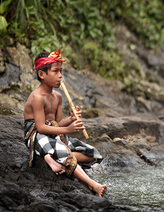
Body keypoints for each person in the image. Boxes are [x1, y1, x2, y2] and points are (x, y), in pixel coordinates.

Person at [23, 50, 107, 197]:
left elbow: (59, 122)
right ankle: (93, 184)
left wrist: (71, 119)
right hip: (37, 135)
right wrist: (67, 130)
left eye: (61, 71)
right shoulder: (37, 97)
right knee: (66, 155)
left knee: (92, 155)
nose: (60, 75)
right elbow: (42, 127)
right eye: (55, 71)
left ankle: (52, 157)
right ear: (42, 75)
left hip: (54, 132)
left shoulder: (58, 96)